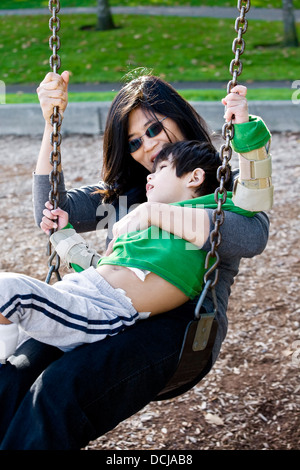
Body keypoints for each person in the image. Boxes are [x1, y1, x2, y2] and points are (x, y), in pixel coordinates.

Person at [0, 71, 271, 450]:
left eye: (154, 128)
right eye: (134, 142)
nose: (148, 145)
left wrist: (152, 214)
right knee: (11, 378)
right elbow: (51, 209)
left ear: (178, 117)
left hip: (180, 324)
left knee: (59, 389)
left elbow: (251, 235)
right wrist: (51, 125)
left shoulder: (217, 184)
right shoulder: (125, 197)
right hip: (99, 306)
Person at [0, 141, 257, 356]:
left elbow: (252, 197)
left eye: (163, 168)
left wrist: (244, 124)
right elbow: (98, 267)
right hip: (79, 294)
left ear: (195, 177)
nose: (150, 175)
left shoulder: (209, 216)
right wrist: (63, 234)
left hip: (102, 311)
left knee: (7, 291)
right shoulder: (144, 228)